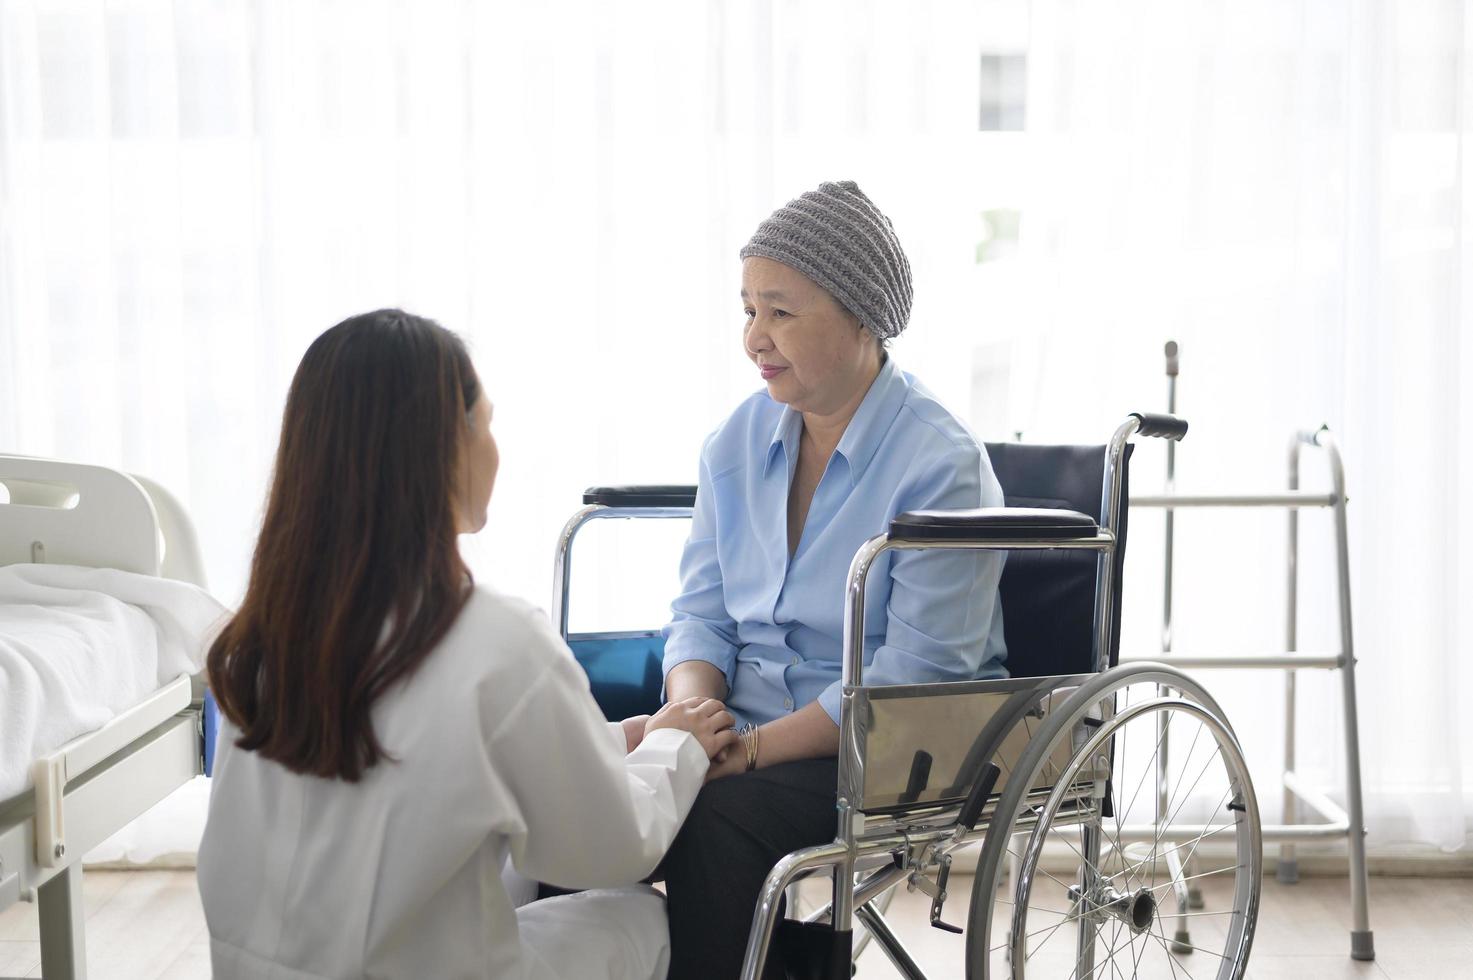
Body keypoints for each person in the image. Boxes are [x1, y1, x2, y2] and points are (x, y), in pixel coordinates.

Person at [197, 309, 737, 980]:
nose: (494, 447)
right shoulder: (492, 638)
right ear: (440, 448)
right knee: (638, 917)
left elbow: (427, 772)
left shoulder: (261, 635)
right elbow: (609, 848)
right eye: (485, 422)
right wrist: (676, 745)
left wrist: (611, 739)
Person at [656, 182, 1009, 979]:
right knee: (579, 777)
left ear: (861, 318)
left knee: (708, 815)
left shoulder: (937, 463)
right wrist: (689, 707)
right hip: (743, 726)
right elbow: (701, 611)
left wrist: (746, 750)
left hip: (884, 749)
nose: (754, 337)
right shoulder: (735, 442)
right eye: (746, 309)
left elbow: (913, 676)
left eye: (779, 311)